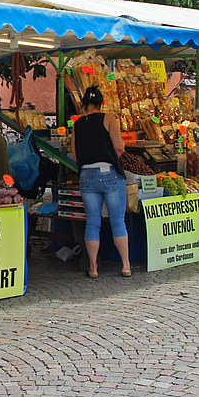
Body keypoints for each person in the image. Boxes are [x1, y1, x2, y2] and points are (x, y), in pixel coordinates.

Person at [70, 86, 132, 279]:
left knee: (92, 223)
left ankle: (94, 268)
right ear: (101, 103)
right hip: (109, 173)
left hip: (86, 175)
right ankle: (126, 266)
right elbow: (119, 147)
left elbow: (75, 154)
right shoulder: (108, 118)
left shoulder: (77, 124)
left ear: (84, 104)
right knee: (117, 221)